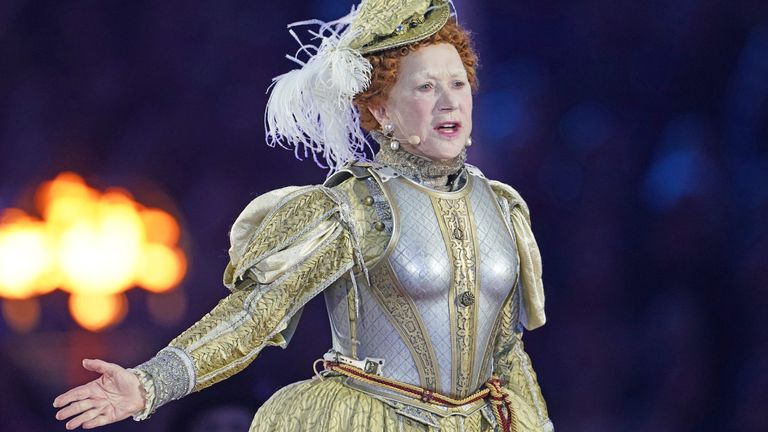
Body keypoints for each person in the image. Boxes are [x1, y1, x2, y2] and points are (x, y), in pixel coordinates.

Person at [53, 1, 553, 431]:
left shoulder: (502, 208)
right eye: (425, 87)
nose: (450, 101)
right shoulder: (357, 205)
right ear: (380, 110)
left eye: (458, 83)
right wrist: (148, 384)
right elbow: (254, 315)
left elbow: (508, 357)